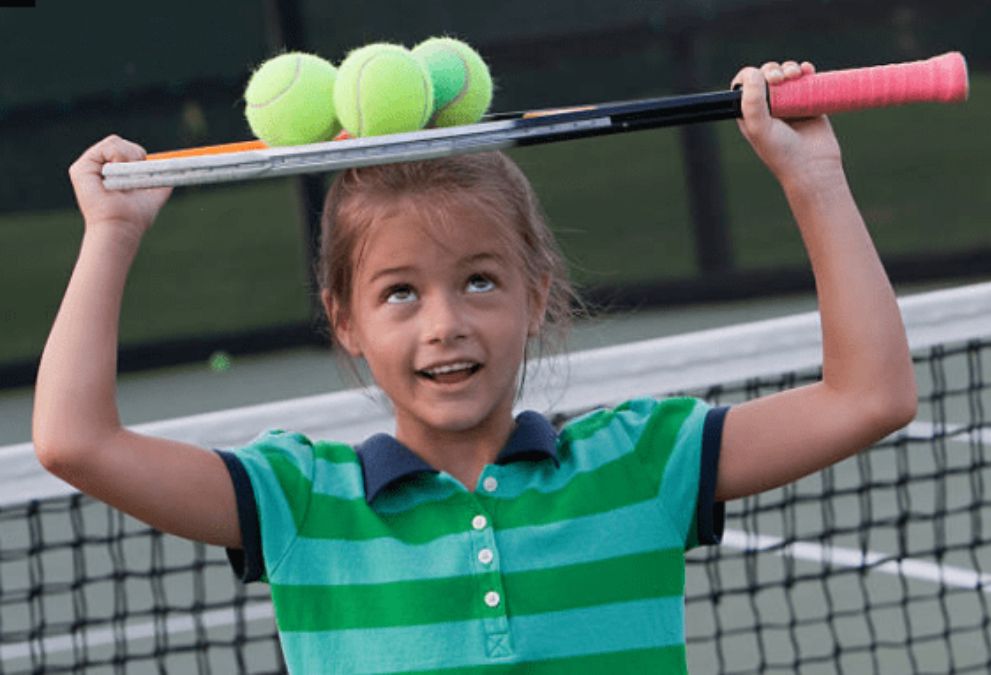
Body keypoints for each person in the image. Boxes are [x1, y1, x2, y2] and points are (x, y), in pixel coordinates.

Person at [33, 60, 917, 673]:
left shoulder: (643, 463)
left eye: (480, 281)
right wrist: (111, 236)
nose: (445, 326)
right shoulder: (295, 500)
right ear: (345, 320)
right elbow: (75, 441)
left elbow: (868, 396)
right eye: (400, 294)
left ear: (537, 296)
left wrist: (813, 178)